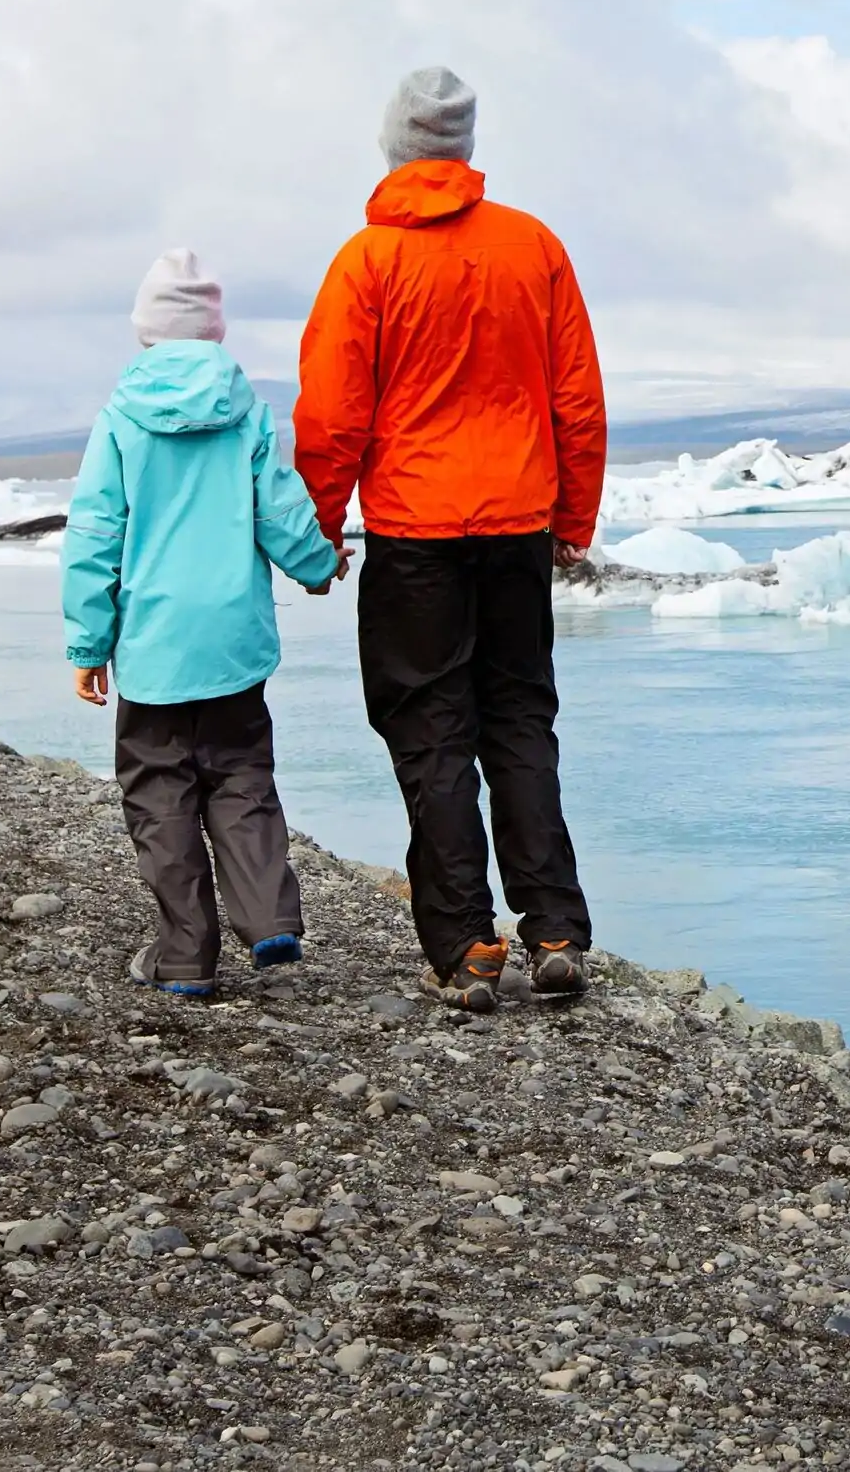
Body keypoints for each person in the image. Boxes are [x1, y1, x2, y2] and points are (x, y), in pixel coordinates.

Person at [294, 66, 606, 1014]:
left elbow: (333, 416)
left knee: (430, 730)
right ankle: (552, 931)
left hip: (414, 534)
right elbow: (577, 399)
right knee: (519, 721)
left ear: (396, 147)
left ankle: (467, 948)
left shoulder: (367, 263)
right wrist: (571, 518)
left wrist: (320, 526)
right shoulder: (533, 246)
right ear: (463, 150)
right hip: (515, 523)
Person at [64, 248, 342, 1000]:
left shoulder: (120, 417)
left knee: (160, 793)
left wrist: (89, 643)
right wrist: (317, 565)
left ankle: (186, 954)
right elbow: (280, 506)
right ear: (214, 332)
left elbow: (94, 534)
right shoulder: (244, 411)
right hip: (232, 644)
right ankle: (269, 918)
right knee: (241, 777)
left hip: (152, 648)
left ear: (146, 332)